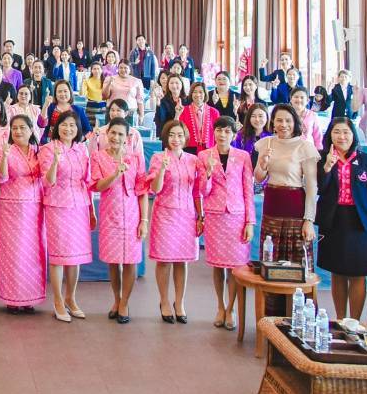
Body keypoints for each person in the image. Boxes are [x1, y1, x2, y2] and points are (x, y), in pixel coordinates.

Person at [316, 117, 367, 320]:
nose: (341, 136)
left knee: (358, 273)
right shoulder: (323, 158)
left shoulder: (366, 160)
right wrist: (327, 168)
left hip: (360, 223)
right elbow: (320, 189)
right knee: (337, 272)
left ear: (353, 135)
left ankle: (354, 322)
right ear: (330, 135)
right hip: (334, 220)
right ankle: (340, 319)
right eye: (336, 132)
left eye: (346, 132)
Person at [201, 117, 256, 329]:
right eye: (219, 130)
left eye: (226, 131)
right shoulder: (204, 156)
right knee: (217, 265)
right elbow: (203, 191)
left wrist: (250, 221)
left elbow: (248, 190)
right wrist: (208, 173)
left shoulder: (243, 156)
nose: (222, 134)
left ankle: (231, 308)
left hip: (237, 216)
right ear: (213, 132)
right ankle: (220, 306)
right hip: (215, 215)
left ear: (233, 134)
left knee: (235, 266)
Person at [91, 118, 146, 324]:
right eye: (113, 133)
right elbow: (97, 186)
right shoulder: (97, 157)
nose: (116, 137)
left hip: (132, 214)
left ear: (127, 137)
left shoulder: (136, 158)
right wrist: (115, 174)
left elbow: (142, 191)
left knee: (131, 260)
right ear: (107, 134)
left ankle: (125, 302)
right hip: (109, 212)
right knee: (113, 261)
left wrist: (144, 220)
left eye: (120, 134)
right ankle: (116, 299)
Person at [146, 119, 201, 324]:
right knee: (164, 260)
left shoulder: (193, 160)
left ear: (185, 138)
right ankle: (164, 301)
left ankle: (180, 302)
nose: (176, 139)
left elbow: (198, 191)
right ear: (165, 137)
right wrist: (162, 169)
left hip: (187, 214)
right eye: (171, 135)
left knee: (182, 260)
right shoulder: (158, 157)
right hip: (165, 213)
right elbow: (155, 189)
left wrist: (200, 215)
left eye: (179, 135)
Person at [39, 109, 91, 322]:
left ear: (77, 128)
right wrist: (55, 162)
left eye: (72, 125)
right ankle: (58, 300)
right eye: (64, 124)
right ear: (56, 127)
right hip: (57, 206)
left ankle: (71, 297)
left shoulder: (82, 150)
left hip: (79, 205)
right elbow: (46, 181)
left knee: (75, 255)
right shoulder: (48, 149)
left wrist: (91, 209)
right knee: (59, 256)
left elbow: (87, 180)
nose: (68, 129)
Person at [253, 103, 320, 267]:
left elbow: (312, 187)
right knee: (270, 259)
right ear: (273, 122)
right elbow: (259, 178)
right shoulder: (266, 143)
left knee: (296, 263)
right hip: (271, 206)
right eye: (279, 120)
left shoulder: (305, 147)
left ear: (295, 122)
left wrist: (309, 220)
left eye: (288, 121)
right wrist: (262, 164)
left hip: (295, 209)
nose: (283, 125)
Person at [0, 114, 45, 315]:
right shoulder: (3, 150)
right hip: (11, 209)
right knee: (13, 254)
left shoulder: (39, 151)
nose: (18, 131)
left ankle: (29, 298)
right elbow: (0, 177)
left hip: (35, 209)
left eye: (22, 127)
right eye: (14, 128)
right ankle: (13, 299)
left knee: (33, 254)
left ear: (31, 130)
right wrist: (5, 157)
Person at [179, 81, 217, 154]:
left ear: (205, 94)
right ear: (191, 94)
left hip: (209, 150)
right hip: (188, 149)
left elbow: (217, 133)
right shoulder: (183, 111)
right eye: (195, 92)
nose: (197, 94)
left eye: (201, 92)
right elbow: (179, 130)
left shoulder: (214, 112)